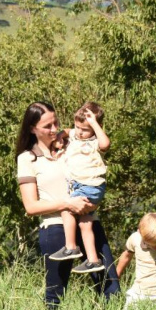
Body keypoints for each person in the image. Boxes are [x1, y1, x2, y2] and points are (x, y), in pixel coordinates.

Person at [15, 101, 119, 309]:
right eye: (47, 126)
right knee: (55, 295)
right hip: (55, 227)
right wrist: (67, 204)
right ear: (32, 129)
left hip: (89, 224)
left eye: (55, 123)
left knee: (111, 290)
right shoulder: (27, 159)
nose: (54, 129)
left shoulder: (75, 142)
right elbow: (31, 207)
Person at [48, 102, 110, 274]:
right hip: (85, 187)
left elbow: (106, 145)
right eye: (78, 127)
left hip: (89, 186)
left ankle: (71, 247)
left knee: (67, 209)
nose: (81, 132)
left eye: (85, 129)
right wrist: (61, 135)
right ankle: (93, 260)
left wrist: (95, 125)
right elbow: (69, 131)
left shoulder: (95, 141)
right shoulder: (76, 134)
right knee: (84, 223)